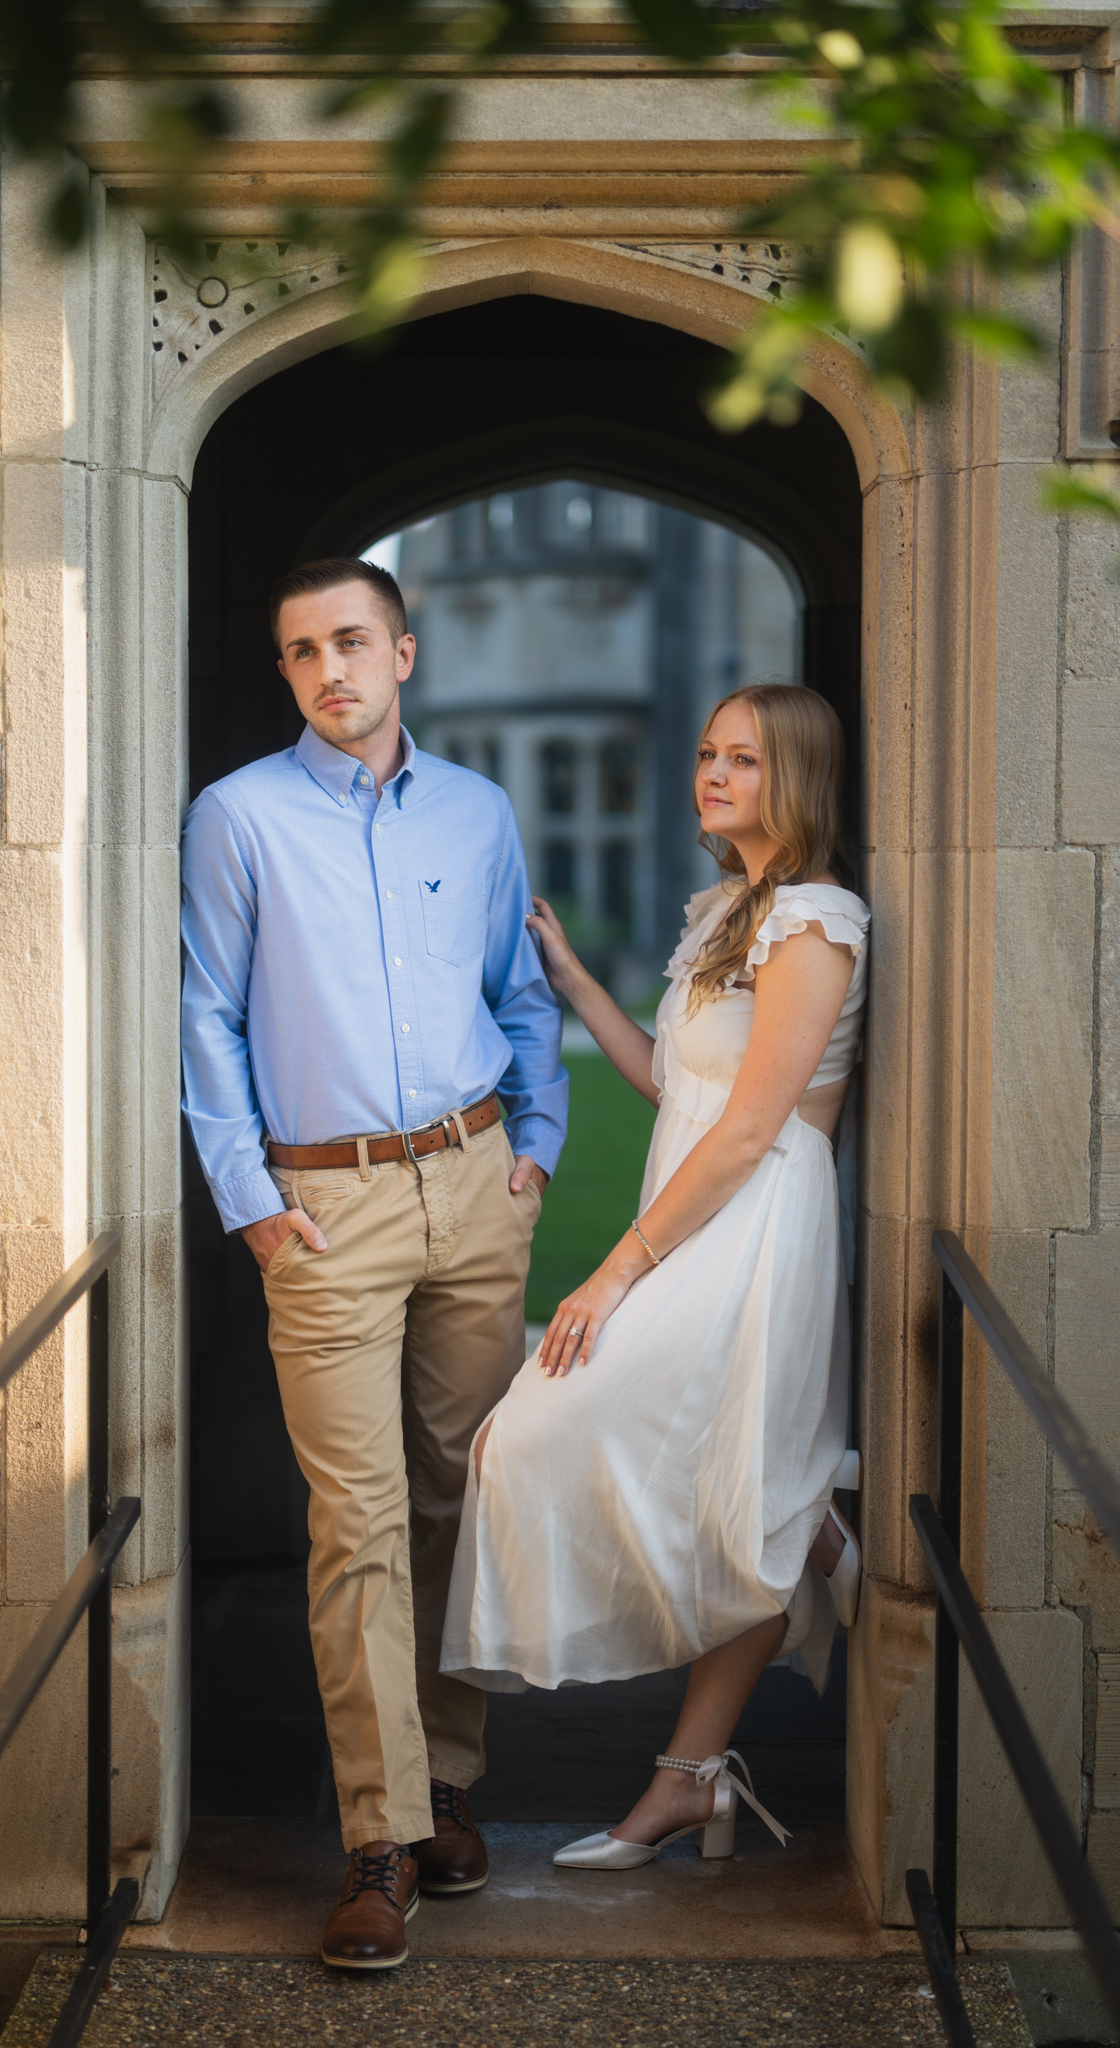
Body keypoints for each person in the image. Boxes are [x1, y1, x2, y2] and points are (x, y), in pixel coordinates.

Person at [180, 556, 567, 1967]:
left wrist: (534, 1148)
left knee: (460, 1495)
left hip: (474, 1189)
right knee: (357, 1523)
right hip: (324, 1212)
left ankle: (446, 1784)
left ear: (403, 654)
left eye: (350, 642)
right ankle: (375, 1838)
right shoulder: (237, 818)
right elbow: (206, 1016)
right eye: (299, 652)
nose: (326, 669)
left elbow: (516, 992)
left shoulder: (476, 812)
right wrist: (250, 1198)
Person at [441, 681, 868, 1867]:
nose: (712, 773)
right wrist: (575, 981)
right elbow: (677, 1090)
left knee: (534, 1429)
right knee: (682, 1473)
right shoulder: (730, 907)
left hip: (756, 1222)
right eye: (707, 752)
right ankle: (804, 1539)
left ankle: (701, 1742)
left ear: (797, 779)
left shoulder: (820, 919)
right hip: (700, 1207)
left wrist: (609, 1273)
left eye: (743, 758)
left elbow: (748, 1129)